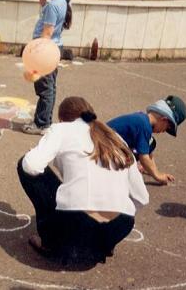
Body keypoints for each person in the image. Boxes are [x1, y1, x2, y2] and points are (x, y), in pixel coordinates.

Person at [17, 96, 149, 264]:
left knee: (24, 163)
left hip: (76, 219)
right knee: (92, 207)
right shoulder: (115, 137)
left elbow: (31, 166)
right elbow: (142, 198)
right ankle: (102, 243)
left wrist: (34, 152)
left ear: (62, 118)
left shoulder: (61, 129)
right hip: (121, 224)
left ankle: (49, 242)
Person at [22, 0, 72, 135]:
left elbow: (47, 33)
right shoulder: (62, 1)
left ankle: (42, 124)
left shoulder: (53, 6)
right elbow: (49, 13)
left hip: (45, 51)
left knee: (44, 89)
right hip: (54, 49)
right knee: (49, 87)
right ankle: (45, 121)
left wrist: (36, 55)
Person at [108, 96, 186, 185]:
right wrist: (158, 176)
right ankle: (119, 168)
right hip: (104, 148)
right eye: (167, 128)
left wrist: (153, 170)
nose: (163, 131)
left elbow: (148, 153)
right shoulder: (144, 126)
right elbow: (144, 157)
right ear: (164, 120)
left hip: (109, 144)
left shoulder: (142, 118)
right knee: (133, 156)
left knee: (151, 143)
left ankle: (127, 165)